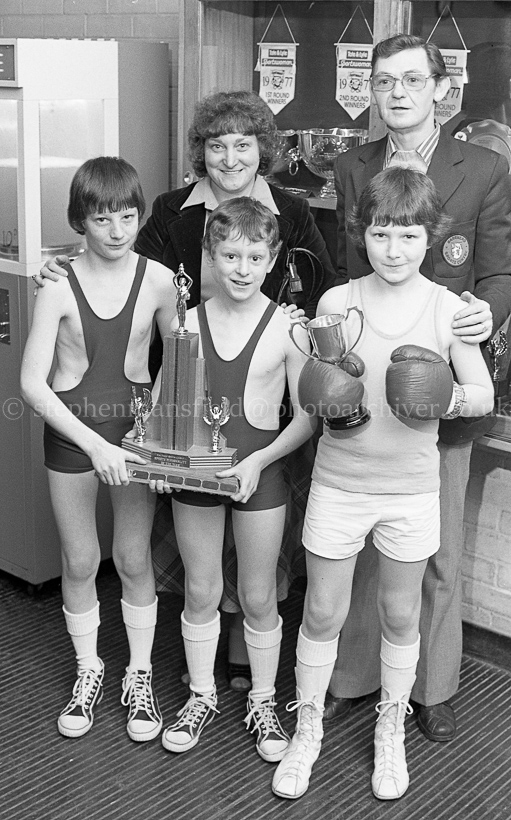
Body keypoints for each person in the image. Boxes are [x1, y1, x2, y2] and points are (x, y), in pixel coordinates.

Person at [36, 90, 339, 692]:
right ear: (201, 152)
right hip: (183, 400)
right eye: (216, 145)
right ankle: (193, 671)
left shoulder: (293, 212)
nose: (230, 157)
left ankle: (244, 659)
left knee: (259, 564)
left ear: (263, 149)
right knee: (194, 557)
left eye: (244, 144)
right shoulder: (174, 211)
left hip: (263, 393)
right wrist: (61, 265)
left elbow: (325, 286)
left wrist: (314, 338)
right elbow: (116, 259)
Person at [272, 166, 495, 802]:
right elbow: (313, 389)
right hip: (340, 483)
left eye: (407, 236)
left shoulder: (449, 309)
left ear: (431, 237)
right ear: (360, 234)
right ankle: (307, 728)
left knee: (400, 611)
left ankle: (390, 728)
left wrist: (444, 397)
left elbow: (481, 394)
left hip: (411, 490)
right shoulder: (337, 303)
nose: (393, 250)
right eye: (379, 234)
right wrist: (320, 392)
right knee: (321, 610)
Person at [328, 33, 511, 741]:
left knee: (431, 549)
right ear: (370, 91)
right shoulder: (351, 165)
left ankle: (431, 690)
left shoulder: (485, 168)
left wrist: (483, 313)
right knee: (362, 539)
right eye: (382, 82)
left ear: (441, 88)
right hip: (367, 388)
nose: (396, 94)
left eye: (411, 80)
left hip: (447, 384)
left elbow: (498, 270)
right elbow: (350, 271)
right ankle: (355, 677)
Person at [153, 196, 316, 761]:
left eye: (253, 256)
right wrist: (159, 460)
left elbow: (307, 417)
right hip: (198, 474)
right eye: (229, 255)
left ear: (272, 260)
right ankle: (201, 695)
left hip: (259, 473)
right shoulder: (186, 322)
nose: (241, 269)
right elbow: (165, 408)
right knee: (200, 589)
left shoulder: (287, 329)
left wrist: (259, 461)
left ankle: (265, 699)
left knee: (257, 592)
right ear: (210, 257)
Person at [20, 157, 177, 742]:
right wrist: (92, 444)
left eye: (128, 216)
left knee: (135, 561)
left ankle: (139, 676)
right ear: (79, 221)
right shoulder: (57, 284)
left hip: (132, 438)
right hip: (73, 433)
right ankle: (89, 670)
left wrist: (148, 429)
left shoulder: (159, 280)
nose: (116, 230)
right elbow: (32, 383)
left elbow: (178, 361)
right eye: (102, 217)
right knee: (82, 560)